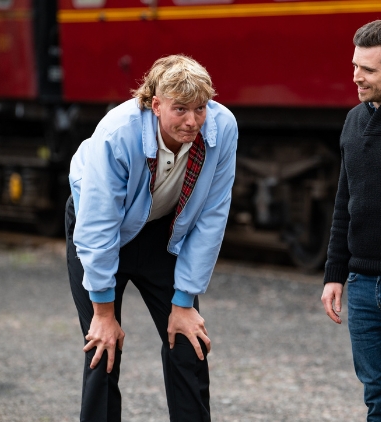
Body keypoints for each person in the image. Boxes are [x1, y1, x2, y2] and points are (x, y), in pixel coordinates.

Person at [65, 55, 237, 421]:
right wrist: (103, 312)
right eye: (180, 110)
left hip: (161, 232)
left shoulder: (222, 128)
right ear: (155, 105)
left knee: (189, 344)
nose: (192, 121)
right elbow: (98, 226)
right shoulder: (118, 133)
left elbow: (211, 215)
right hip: (99, 228)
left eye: (200, 108)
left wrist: (184, 301)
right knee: (103, 348)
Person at [320, 20, 381, 421]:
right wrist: (333, 274)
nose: (356, 77)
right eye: (355, 65)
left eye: (368, 70)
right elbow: (345, 202)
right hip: (361, 285)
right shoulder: (354, 121)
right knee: (378, 398)